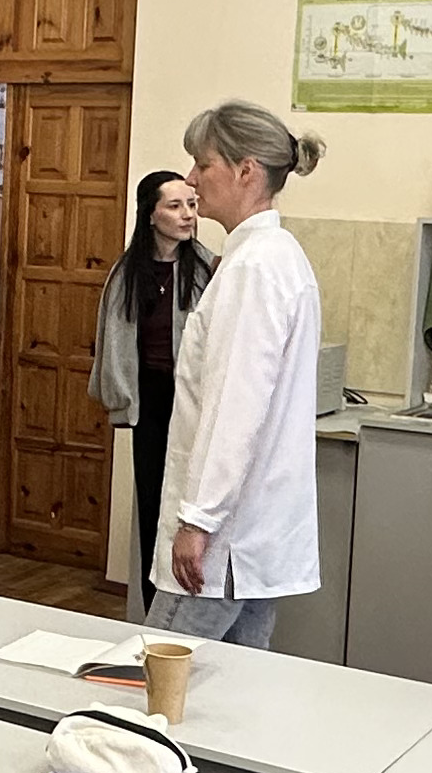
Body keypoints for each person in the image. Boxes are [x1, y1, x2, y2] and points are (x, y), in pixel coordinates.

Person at [146, 102, 328, 647]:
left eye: (203, 164)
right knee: (236, 683)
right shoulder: (275, 255)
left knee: (159, 670)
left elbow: (234, 409)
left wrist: (198, 520)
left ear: (246, 170)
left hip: (224, 538)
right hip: (251, 537)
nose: (191, 179)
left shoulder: (253, 268)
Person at [92, 169, 214, 612]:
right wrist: (121, 400)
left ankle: (190, 603)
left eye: (192, 205)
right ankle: (154, 610)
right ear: (150, 214)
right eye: (175, 206)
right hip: (149, 401)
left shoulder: (209, 268)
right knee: (153, 508)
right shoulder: (127, 274)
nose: (187, 215)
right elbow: (112, 343)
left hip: (193, 402)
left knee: (189, 505)